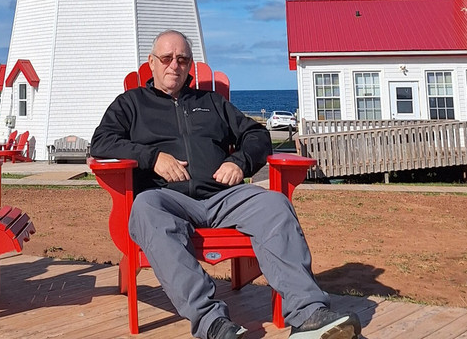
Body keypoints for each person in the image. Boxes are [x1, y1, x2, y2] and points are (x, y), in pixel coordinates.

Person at [91, 30, 362, 339]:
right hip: (166, 199)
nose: (174, 66)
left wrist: (239, 162)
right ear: (151, 63)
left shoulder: (211, 102)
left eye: (182, 59)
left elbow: (257, 136)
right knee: (145, 208)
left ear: (190, 65)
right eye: (166, 58)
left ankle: (308, 315)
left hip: (223, 198)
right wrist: (152, 158)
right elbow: (102, 142)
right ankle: (212, 322)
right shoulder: (131, 104)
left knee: (274, 204)